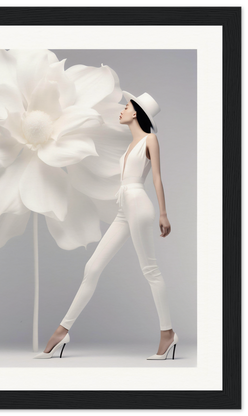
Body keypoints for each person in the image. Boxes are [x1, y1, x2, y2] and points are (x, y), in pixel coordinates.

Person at [33, 91, 179, 360]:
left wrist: (164, 213)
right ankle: (63, 330)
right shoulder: (129, 146)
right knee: (92, 267)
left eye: (126, 107)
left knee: (150, 269)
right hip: (124, 206)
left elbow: (157, 178)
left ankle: (167, 333)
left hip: (138, 204)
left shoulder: (150, 140)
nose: (121, 111)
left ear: (136, 113)